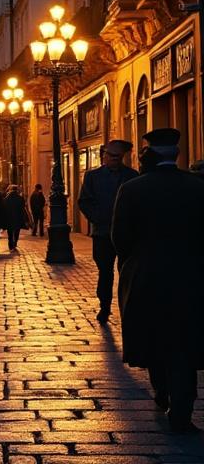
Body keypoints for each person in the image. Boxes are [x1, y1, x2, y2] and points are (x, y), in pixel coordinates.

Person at [111, 128, 204, 434]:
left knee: (154, 334)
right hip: (191, 277)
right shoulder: (197, 187)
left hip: (147, 275)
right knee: (185, 342)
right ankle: (182, 407)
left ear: (148, 154)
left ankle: (161, 389)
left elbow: (119, 238)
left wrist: (131, 264)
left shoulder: (133, 189)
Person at [78, 140, 137, 323]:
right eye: (112, 156)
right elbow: (84, 201)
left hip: (126, 233)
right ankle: (105, 305)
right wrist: (97, 217)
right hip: (102, 232)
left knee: (126, 270)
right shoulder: (92, 176)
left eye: (118, 157)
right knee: (105, 271)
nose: (115, 160)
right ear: (104, 156)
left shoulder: (132, 175)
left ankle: (126, 305)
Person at [3, 184, 27, 252]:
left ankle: (10, 245)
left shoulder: (6, 198)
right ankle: (15, 243)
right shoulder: (20, 198)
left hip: (9, 218)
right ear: (17, 190)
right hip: (18, 217)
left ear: (10, 190)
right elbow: (22, 208)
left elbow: (4, 208)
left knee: (10, 232)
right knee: (17, 231)